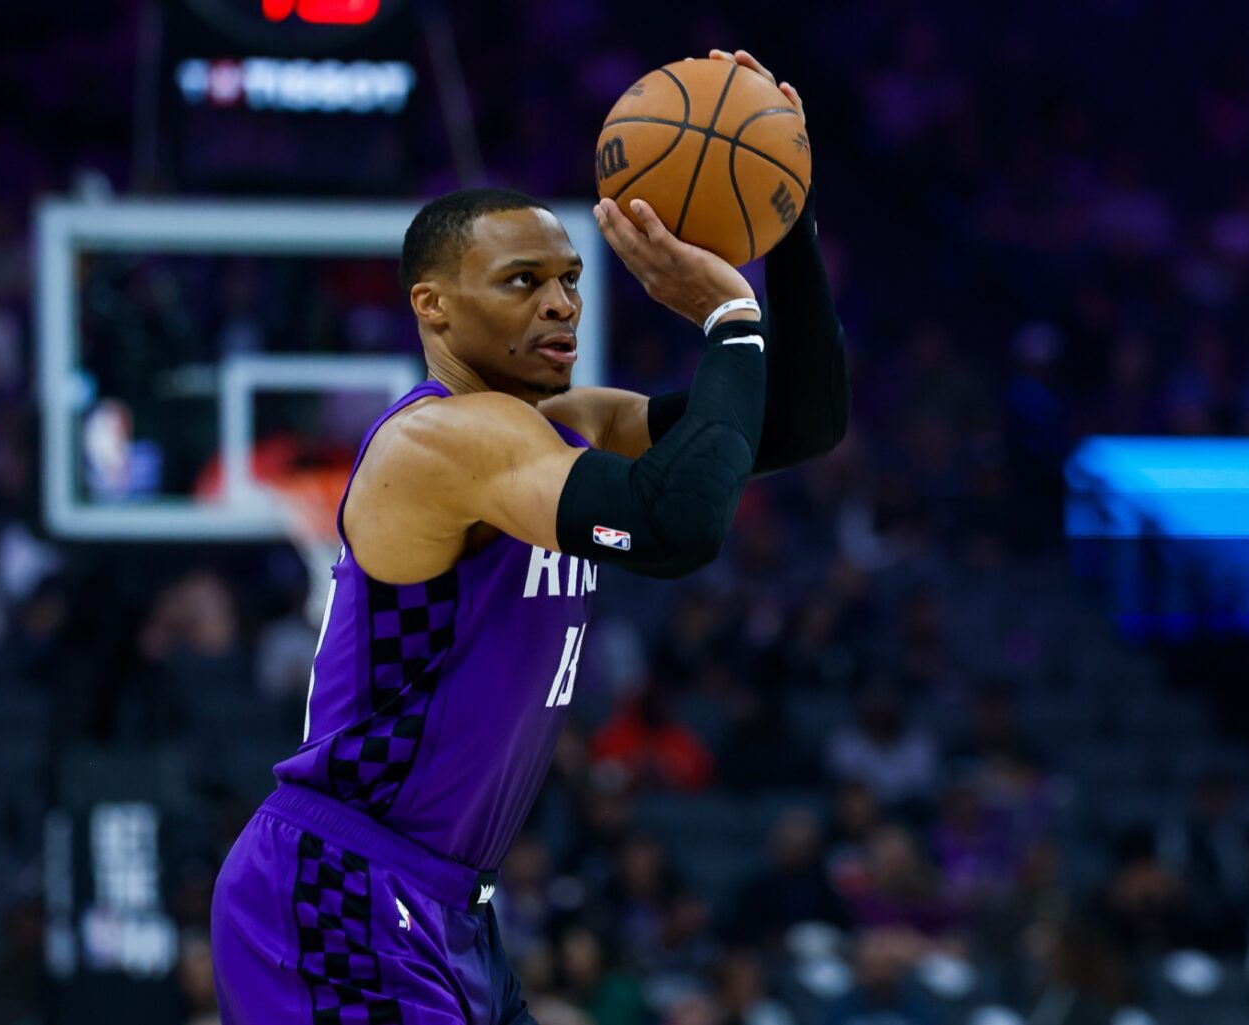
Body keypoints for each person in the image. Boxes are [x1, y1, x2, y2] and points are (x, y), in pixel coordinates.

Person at [211, 48, 848, 1025]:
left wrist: (784, 208)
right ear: (432, 304)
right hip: (339, 881)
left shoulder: (566, 425)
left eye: (566, 278)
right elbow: (679, 525)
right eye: (521, 281)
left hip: (448, 899)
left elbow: (802, 419)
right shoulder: (441, 439)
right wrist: (725, 313)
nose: (560, 303)